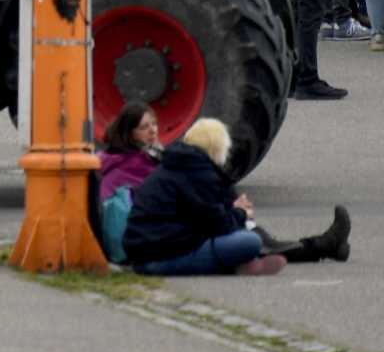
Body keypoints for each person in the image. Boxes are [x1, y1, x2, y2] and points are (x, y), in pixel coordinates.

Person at [121, 117, 349, 274]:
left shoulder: (182, 166)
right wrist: (240, 212)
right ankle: (318, 247)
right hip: (156, 260)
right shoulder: (198, 174)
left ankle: (322, 246)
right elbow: (219, 225)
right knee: (249, 241)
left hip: (152, 252)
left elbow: (205, 217)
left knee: (249, 234)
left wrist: (235, 211)